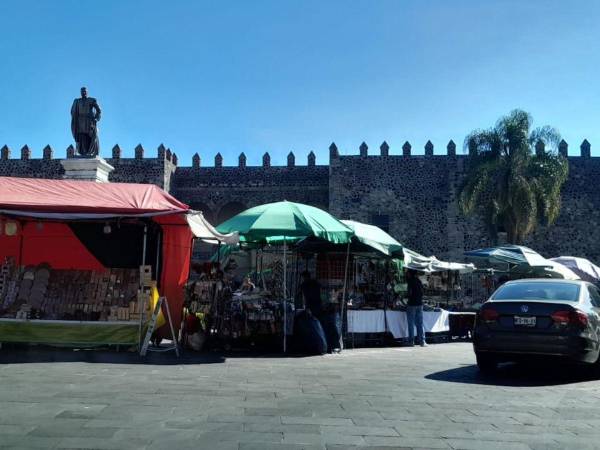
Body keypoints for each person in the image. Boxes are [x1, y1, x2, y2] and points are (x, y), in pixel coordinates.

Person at [70, 87, 101, 157]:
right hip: (80, 121)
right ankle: (83, 153)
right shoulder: (77, 101)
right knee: (82, 136)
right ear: (80, 92)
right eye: (82, 91)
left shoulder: (91, 100)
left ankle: (90, 152)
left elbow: (99, 110)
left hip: (89, 122)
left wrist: (96, 118)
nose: (83, 92)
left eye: (85, 91)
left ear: (87, 92)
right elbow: (72, 111)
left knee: (90, 136)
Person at [406, 269, 427, 347]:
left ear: (410, 274)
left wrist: (407, 297)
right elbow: (422, 292)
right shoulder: (419, 281)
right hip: (419, 304)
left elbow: (409, 293)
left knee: (411, 323)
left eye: (407, 273)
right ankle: (422, 341)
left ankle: (411, 342)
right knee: (420, 323)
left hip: (412, 304)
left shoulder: (410, 281)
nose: (406, 274)